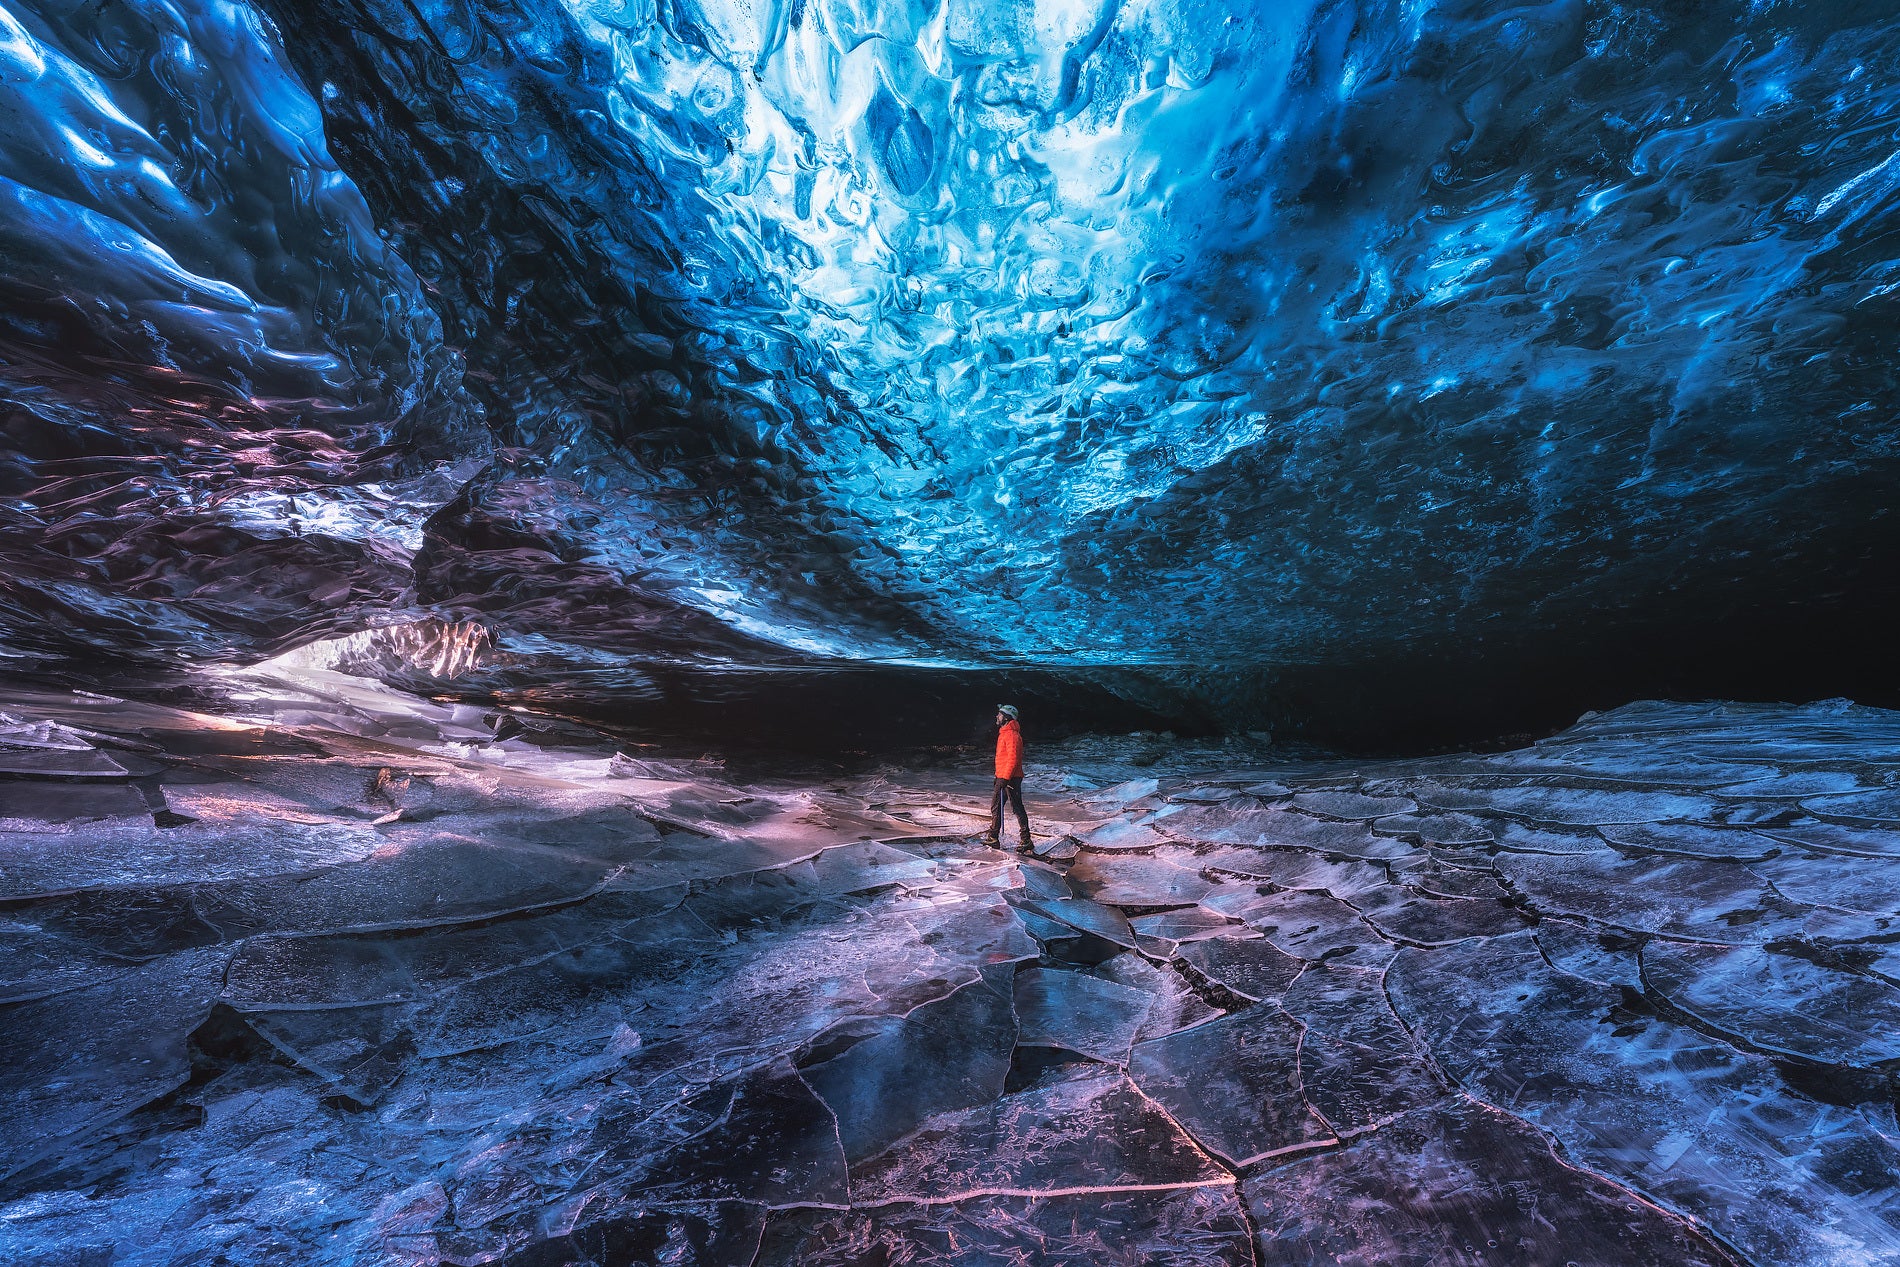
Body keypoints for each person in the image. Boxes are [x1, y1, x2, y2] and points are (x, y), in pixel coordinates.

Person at [979, 704, 1032, 851]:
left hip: (1011, 778)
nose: (997, 716)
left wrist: (1005, 778)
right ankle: (993, 837)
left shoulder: (1012, 735)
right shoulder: (1005, 733)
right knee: (996, 806)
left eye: (1000, 714)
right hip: (1004, 777)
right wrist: (999, 777)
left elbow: (1013, 759)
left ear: (1007, 717)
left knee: (1017, 807)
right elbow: (1005, 760)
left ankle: (1026, 840)